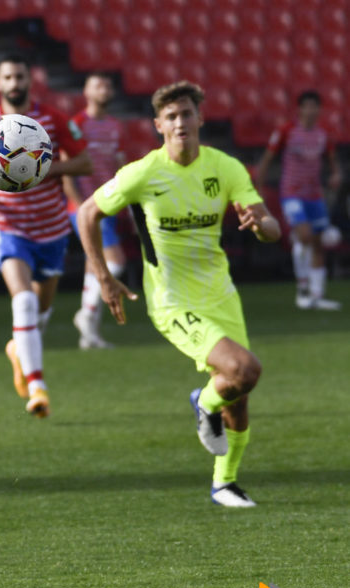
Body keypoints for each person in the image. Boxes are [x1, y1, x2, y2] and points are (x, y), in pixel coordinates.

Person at [76, 81, 281, 507]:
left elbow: (271, 228)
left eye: (187, 113)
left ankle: (224, 484)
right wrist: (103, 277)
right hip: (173, 301)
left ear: (200, 118)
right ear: (158, 126)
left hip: (221, 295)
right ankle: (201, 403)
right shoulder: (143, 173)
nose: (180, 122)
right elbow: (87, 213)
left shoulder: (225, 168)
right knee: (245, 371)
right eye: (171, 116)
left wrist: (260, 226)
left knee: (238, 395)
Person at [0, 53, 92, 417]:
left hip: (51, 229)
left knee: (42, 308)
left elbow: (85, 162)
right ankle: (37, 386)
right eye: (8, 77)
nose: (14, 83)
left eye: (20, 76)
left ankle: (19, 348)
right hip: (8, 226)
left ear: (29, 80)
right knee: (24, 302)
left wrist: (41, 169)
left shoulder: (54, 119)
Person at [255, 90, 343, 310]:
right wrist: (258, 187)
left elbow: (333, 162)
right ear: (300, 108)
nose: (312, 111)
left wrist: (335, 175)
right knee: (304, 235)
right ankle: (302, 290)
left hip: (314, 194)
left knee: (318, 243)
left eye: (316, 106)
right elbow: (267, 158)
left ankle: (316, 295)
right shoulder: (287, 131)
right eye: (308, 106)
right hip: (291, 192)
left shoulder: (323, 134)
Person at [64, 72, 129, 349]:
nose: (104, 89)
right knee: (115, 261)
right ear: (86, 92)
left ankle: (89, 335)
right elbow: (67, 168)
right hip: (86, 206)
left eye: (108, 84)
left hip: (108, 203)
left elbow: (121, 166)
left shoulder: (115, 126)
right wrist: (79, 205)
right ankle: (86, 315)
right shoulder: (77, 125)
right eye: (98, 85)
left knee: (95, 263)